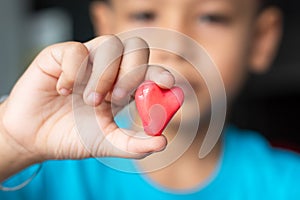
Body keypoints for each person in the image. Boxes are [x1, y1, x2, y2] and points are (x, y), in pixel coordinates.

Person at [1, 0, 299, 199]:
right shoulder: (39, 163)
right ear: (105, 25)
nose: (175, 45)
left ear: (261, 38)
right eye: (145, 14)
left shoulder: (288, 183)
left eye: (211, 17)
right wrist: (13, 144)